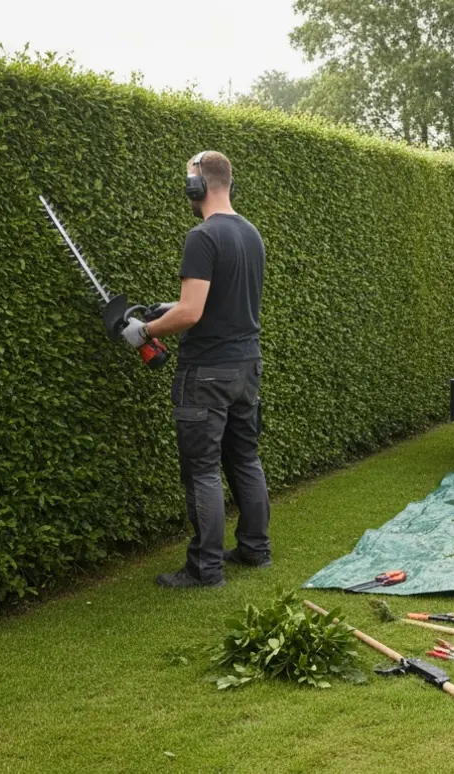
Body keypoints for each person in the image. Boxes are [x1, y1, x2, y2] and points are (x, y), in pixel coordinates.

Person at [121, 151, 272, 588]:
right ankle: (254, 549)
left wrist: (144, 329)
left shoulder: (202, 236)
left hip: (207, 372)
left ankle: (205, 568)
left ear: (198, 186)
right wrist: (173, 307)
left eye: (188, 183)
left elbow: (190, 313)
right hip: (247, 366)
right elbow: (219, 302)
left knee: (202, 469)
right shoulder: (250, 233)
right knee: (244, 458)